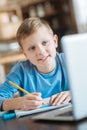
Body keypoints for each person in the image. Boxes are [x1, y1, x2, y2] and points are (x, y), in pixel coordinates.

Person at [0, 17, 71, 111]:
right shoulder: (20, 71)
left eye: (45, 43)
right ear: (25, 54)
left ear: (55, 41)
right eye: (32, 48)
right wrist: (17, 103)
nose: (40, 51)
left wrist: (73, 93)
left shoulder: (69, 60)